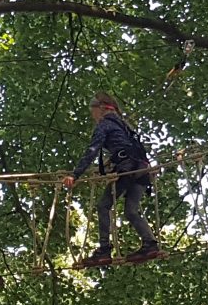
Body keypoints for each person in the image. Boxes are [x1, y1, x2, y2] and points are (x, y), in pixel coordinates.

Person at [61, 92, 161, 264]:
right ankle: (150, 244)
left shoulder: (105, 124)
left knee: (103, 206)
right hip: (142, 169)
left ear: (100, 109)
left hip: (127, 168)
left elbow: (92, 150)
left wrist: (74, 174)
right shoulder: (124, 126)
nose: (93, 117)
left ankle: (104, 249)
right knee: (131, 211)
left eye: (92, 112)